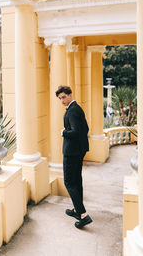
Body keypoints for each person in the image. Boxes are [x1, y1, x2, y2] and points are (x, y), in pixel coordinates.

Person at [55, 85, 92, 229]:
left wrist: (64, 132)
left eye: (64, 97)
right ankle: (77, 209)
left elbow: (76, 131)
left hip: (71, 153)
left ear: (70, 95)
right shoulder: (77, 108)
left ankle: (83, 215)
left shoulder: (72, 111)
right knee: (77, 181)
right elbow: (86, 129)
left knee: (69, 182)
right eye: (60, 98)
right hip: (79, 151)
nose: (62, 100)